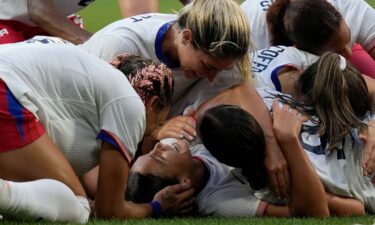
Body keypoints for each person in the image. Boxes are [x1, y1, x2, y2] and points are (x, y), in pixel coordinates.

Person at [81, 0, 290, 198]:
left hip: (144, 125)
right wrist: (155, 131)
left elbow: (241, 89)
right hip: (84, 128)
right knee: (105, 185)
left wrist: (272, 149)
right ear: (187, 37)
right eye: (207, 66)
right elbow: (95, 127)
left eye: (221, 69)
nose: (211, 78)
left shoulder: (218, 51)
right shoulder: (121, 46)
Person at [0, 36, 192, 222]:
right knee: (78, 207)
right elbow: (108, 211)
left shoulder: (88, 81)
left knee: (34, 198)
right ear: (153, 103)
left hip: (8, 84)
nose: (150, 133)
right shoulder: (131, 104)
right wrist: (157, 206)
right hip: (6, 89)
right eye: (158, 123)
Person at [196, 52, 375, 215]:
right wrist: (286, 141)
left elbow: (240, 91)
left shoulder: (272, 180)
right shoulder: (276, 179)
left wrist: (274, 143)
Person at [125, 108, 330, 218]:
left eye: (152, 151)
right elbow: (312, 213)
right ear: (183, 184)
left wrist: (271, 145)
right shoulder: (220, 203)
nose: (159, 147)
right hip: (324, 160)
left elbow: (239, 90)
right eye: (158, 157)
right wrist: (287, 141)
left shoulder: (179, 140)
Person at [241, 0, 375, 78]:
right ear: (298, 48)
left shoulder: (349, 6)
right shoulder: (247, 29)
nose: (348, 54)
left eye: (348, 38)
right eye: (338, 51)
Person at [0, 0, 95, 44]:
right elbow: (38, 11)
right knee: (15, 69)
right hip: (6, 21)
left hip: (56, 17)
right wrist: (94, 43)